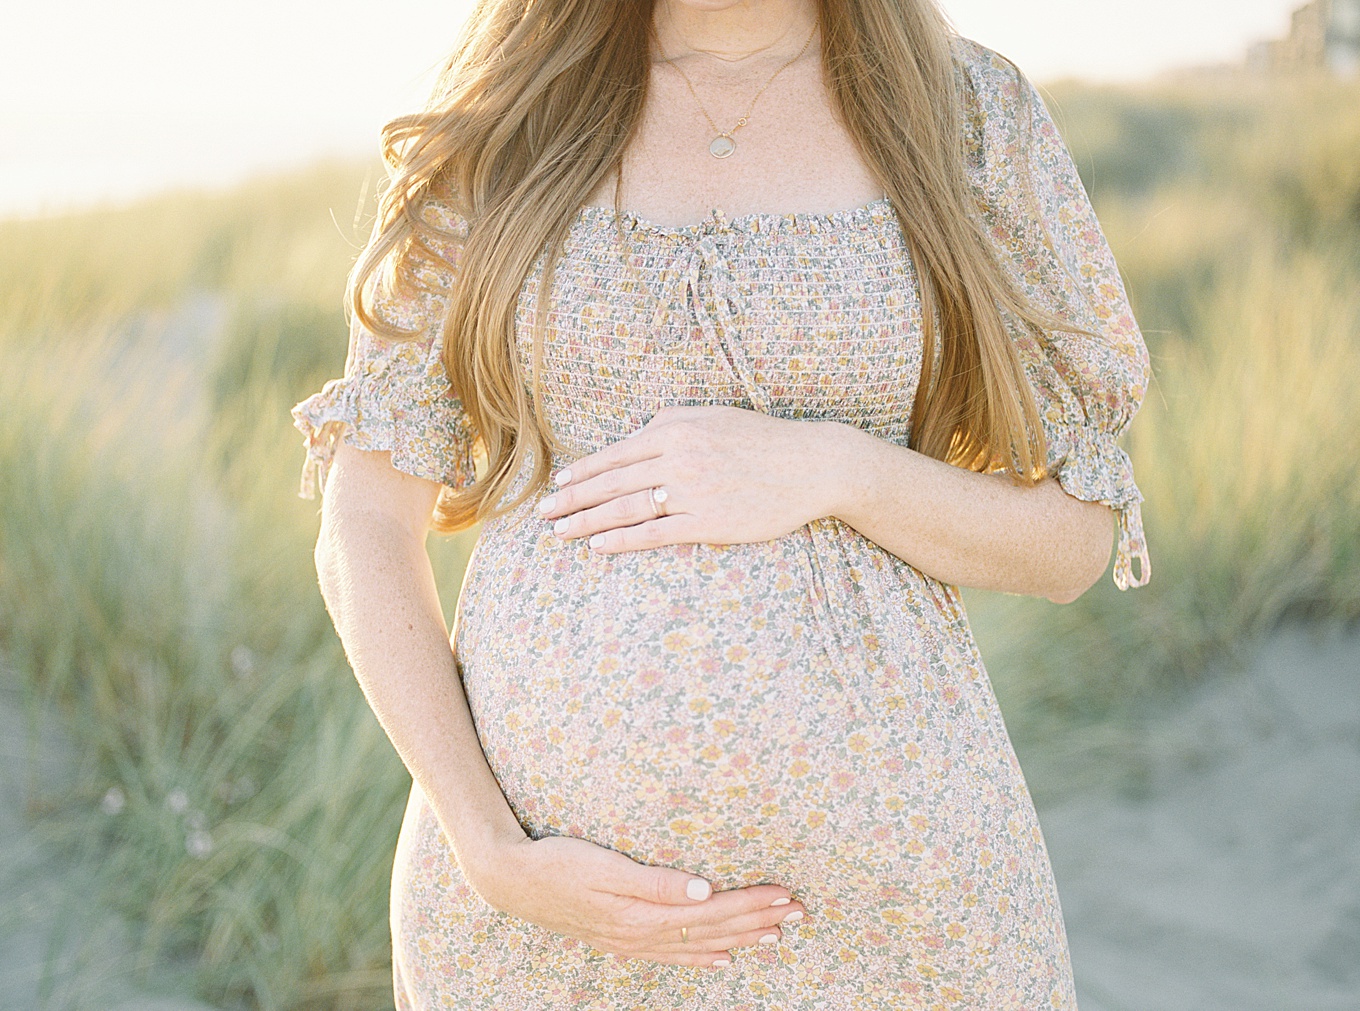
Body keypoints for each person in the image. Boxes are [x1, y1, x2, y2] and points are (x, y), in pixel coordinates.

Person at [292, 0, 1151, 1006]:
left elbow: (1072, 541)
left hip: (897, 910)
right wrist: (488, 850)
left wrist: (837, 469)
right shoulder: (507, 113)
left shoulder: (967, 110)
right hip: (541, 913)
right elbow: (366, 521)